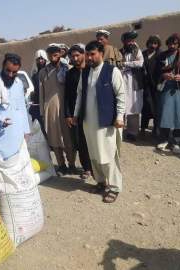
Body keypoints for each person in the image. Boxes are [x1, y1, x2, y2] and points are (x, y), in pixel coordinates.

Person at [74, 41, 125, 203]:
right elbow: (80, 95)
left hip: (106, 122)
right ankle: (101, 182)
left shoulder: (112, 71)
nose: (89, 57)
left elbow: (121, 95)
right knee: (94, 155)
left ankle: (115, 187)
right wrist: (76, 114)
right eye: (87, 54)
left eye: (92, 54)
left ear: (101, 54)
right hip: (89, 122)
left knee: (109, 154)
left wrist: (120, 116)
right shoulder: (85, 73)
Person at [0, 53, 30, 159]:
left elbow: (22, 108)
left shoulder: (18, 83)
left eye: (14, 72)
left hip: (17, 134)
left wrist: (26, 131)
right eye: (8, 70)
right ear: (3, 66)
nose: (10, 75)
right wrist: (0, 121)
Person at [39, 44, 76, 176]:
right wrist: (43, 112)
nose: (53, 56)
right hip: (50, 110)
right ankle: (61, 165)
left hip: (66, 110)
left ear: (60, 54)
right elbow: (41, 94)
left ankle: (72, 164)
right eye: (50, 54)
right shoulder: (43, 72)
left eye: (55, 53)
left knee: (68, 139)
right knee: (54, 139)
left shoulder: (68, 69)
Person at [155, 33, 180, 154]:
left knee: (179, 116)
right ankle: (164, 139)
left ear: (178, 44)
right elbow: (155, 72)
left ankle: (176, 142)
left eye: (175, 43)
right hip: (165, 89)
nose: (172, 45)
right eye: (170, 43)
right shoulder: (161, 56)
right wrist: (163, 75)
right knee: (165, 114)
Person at [64, 43, 92, 179]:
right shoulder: (70, 74)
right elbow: (67, 96)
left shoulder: (91, 69)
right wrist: (68, 115)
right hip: (76, 114)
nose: (74, 58)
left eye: (77, 55)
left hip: (93, 112)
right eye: (72, 56)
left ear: (83, 54)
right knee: (81, 142)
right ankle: (87, 168)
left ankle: (96, 167)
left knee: (93, 140)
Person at [119, 31, 144, 141]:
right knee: (121, 105)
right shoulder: (120, 52)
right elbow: (117, 64)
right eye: (129, 40)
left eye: (133, 40)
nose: (131, 42)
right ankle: (119, 130)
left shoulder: (137, 51)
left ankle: (132, 132)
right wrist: (126, 65)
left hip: (133, 82)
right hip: (122, 80)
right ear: (124, 41)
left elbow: (140, 63)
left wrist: (126, 64)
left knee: (133, 108)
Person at [141, 35, 162, 136]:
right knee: (145, 107)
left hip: (156, 85)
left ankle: (155, 128)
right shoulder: (143, 54)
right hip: (146, 86)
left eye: (155, 43)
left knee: (157, 107)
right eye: (151, 43)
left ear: (158, 45)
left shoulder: (160, 55)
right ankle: (143, 129)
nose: (153, 45)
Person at [29, 49, 48, 126]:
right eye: (38, 59)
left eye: (42, 59)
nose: (40, 61)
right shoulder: (34, 75)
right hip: (38, 106)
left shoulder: (50, 72)